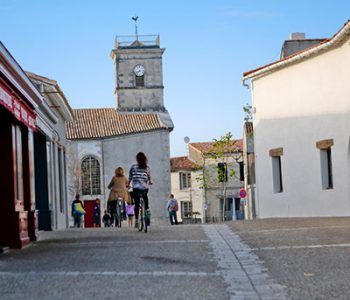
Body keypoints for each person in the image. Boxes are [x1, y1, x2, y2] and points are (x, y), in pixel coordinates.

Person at [129, 152, 152, 228]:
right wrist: (150, 182)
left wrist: (128, 184)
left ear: (137, 159)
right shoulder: (147, 168)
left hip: (136, 188)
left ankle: (136, 221)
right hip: (144, 188)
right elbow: (149, 178)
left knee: (137, 203)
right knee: (146, 201)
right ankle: (147, 216)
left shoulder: (133, 167)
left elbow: (130, 177)